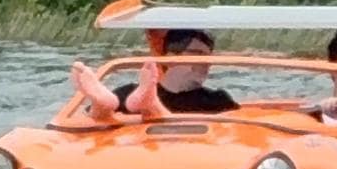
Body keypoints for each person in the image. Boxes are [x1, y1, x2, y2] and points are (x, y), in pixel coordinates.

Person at [71, 28, 238, 119]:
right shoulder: (130, 92)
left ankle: (151, 106)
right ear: (171, 58)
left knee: (149, 108)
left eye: (208, 57)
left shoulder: (217, 99)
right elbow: (81, 125)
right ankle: (101, 106)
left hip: (181, 151)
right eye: (196, 55)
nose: (205, 64)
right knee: (101, 115)